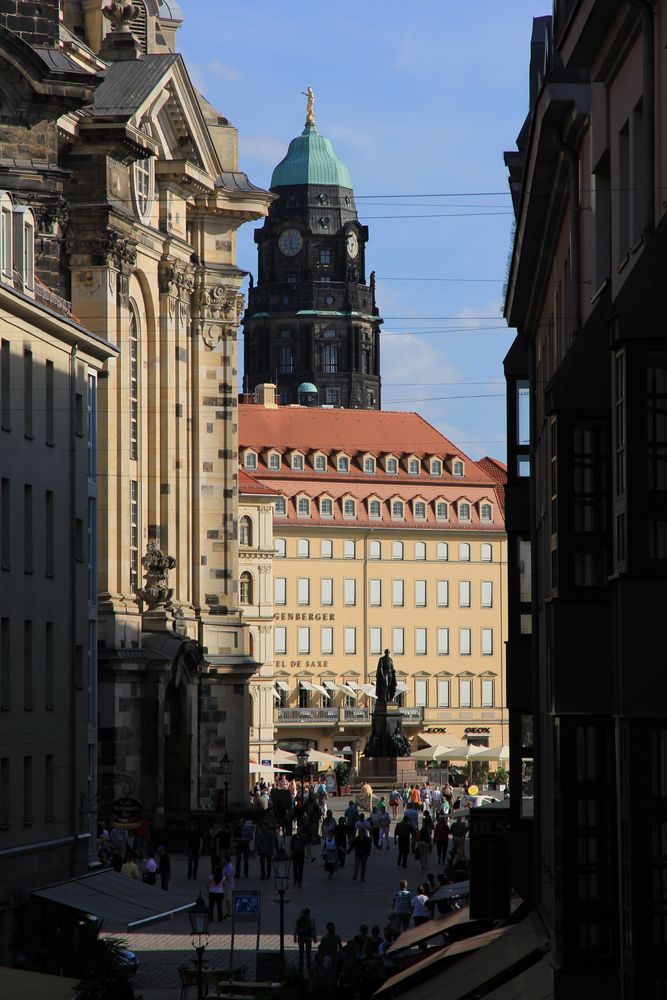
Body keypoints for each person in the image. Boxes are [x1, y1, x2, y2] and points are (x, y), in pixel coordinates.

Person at [294, 907, 318, 976]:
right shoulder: (300, 920)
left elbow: (313, 929)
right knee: (302, 953)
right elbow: (296, 928)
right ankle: (301, 968)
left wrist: (314, 938)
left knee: (308, 953)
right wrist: (295, 937)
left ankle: (308, 967)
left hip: (307, 936)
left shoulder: (311, 920)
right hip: (302, 936)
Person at [221, 854, 235, 918]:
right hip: (226, 885)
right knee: (227, 900)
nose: (222, 860)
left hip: (228, 886)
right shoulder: (226, 866)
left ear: (226, 860)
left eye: (224, 858)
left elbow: (228, 877)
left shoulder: (229, 867)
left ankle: (229, 913)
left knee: (228, 900)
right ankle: (228, 912)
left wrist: (222, 882)